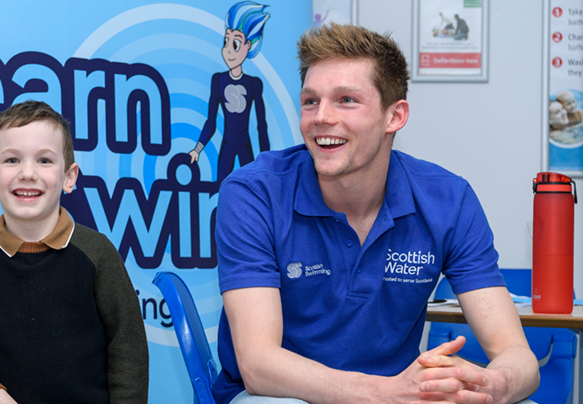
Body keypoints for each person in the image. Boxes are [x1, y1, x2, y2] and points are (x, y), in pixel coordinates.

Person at [212, 24, 539, 404]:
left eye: (346, 100)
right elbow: (259, 365)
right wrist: (386, 394)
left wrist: (491, 386)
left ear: (394, 116)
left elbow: (517, 355)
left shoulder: (449, 199)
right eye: (311, 101)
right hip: (282, 394)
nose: (321, 117)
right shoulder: (254, 193)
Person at [0, 100, 148, 404]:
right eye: (11, 160)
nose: (27, 173)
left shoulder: (96, 253)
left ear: (69, 177)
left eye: (44, 161)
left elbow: (128, 346)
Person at [188, 1, 271, 184]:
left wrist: (268, 161)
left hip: (245, 147)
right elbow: (211, 121)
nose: (228, 51)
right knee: (222, 192)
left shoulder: (253, 83)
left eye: (235, 44)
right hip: (226, 147)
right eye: (226, 42)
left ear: (248, 45)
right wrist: (197, 149)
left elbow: (261, 126)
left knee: (252, 194)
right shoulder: (218, 80)